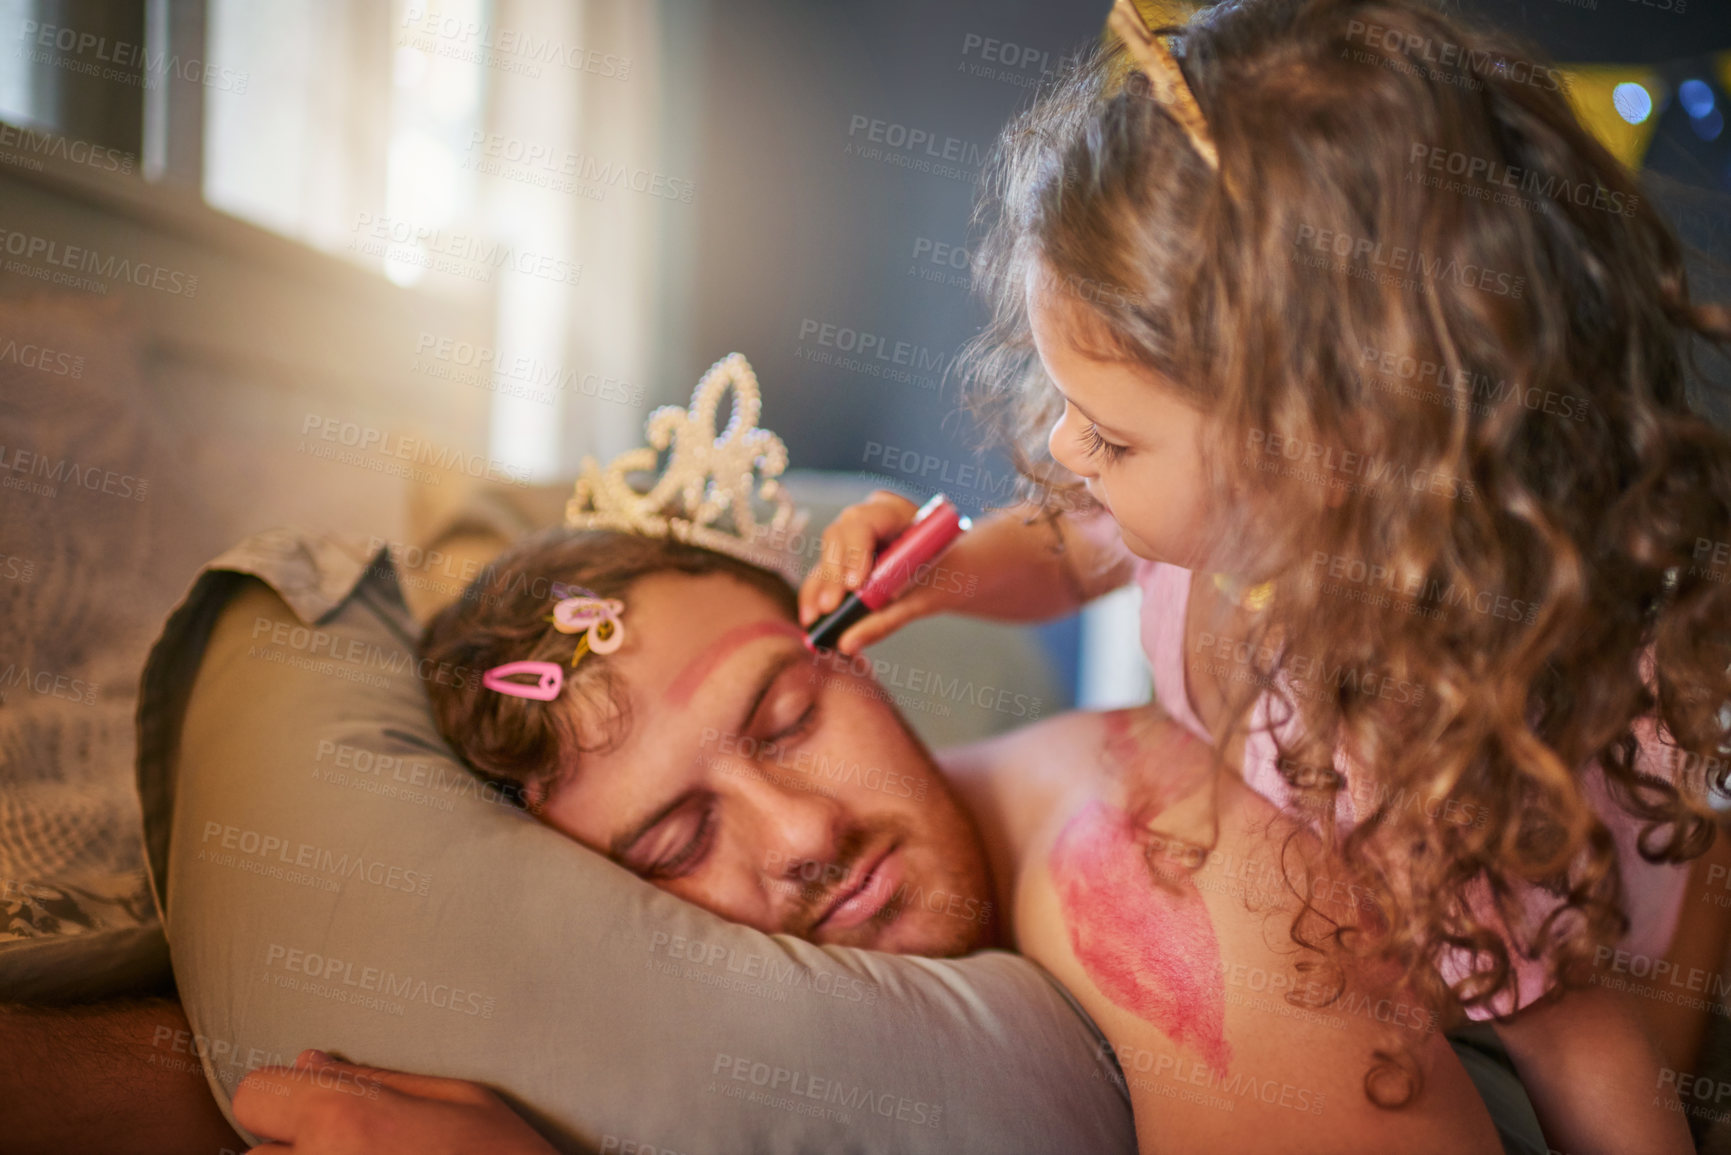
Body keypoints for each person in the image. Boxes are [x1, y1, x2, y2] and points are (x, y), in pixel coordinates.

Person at [800, 1, 1731, 1151]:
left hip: (1575, 929)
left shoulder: (1414, 734)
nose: (1065, 456)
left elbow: (1580, 1037)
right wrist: (936, 577)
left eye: (1113, 438)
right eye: (1074, 416)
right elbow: (1064, 545)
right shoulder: (1224, 527)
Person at [229, 523, 1504, 1153]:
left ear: (854, 656)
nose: (800, 835)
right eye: (675, 847)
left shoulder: (1152, 863)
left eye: (787, 719)